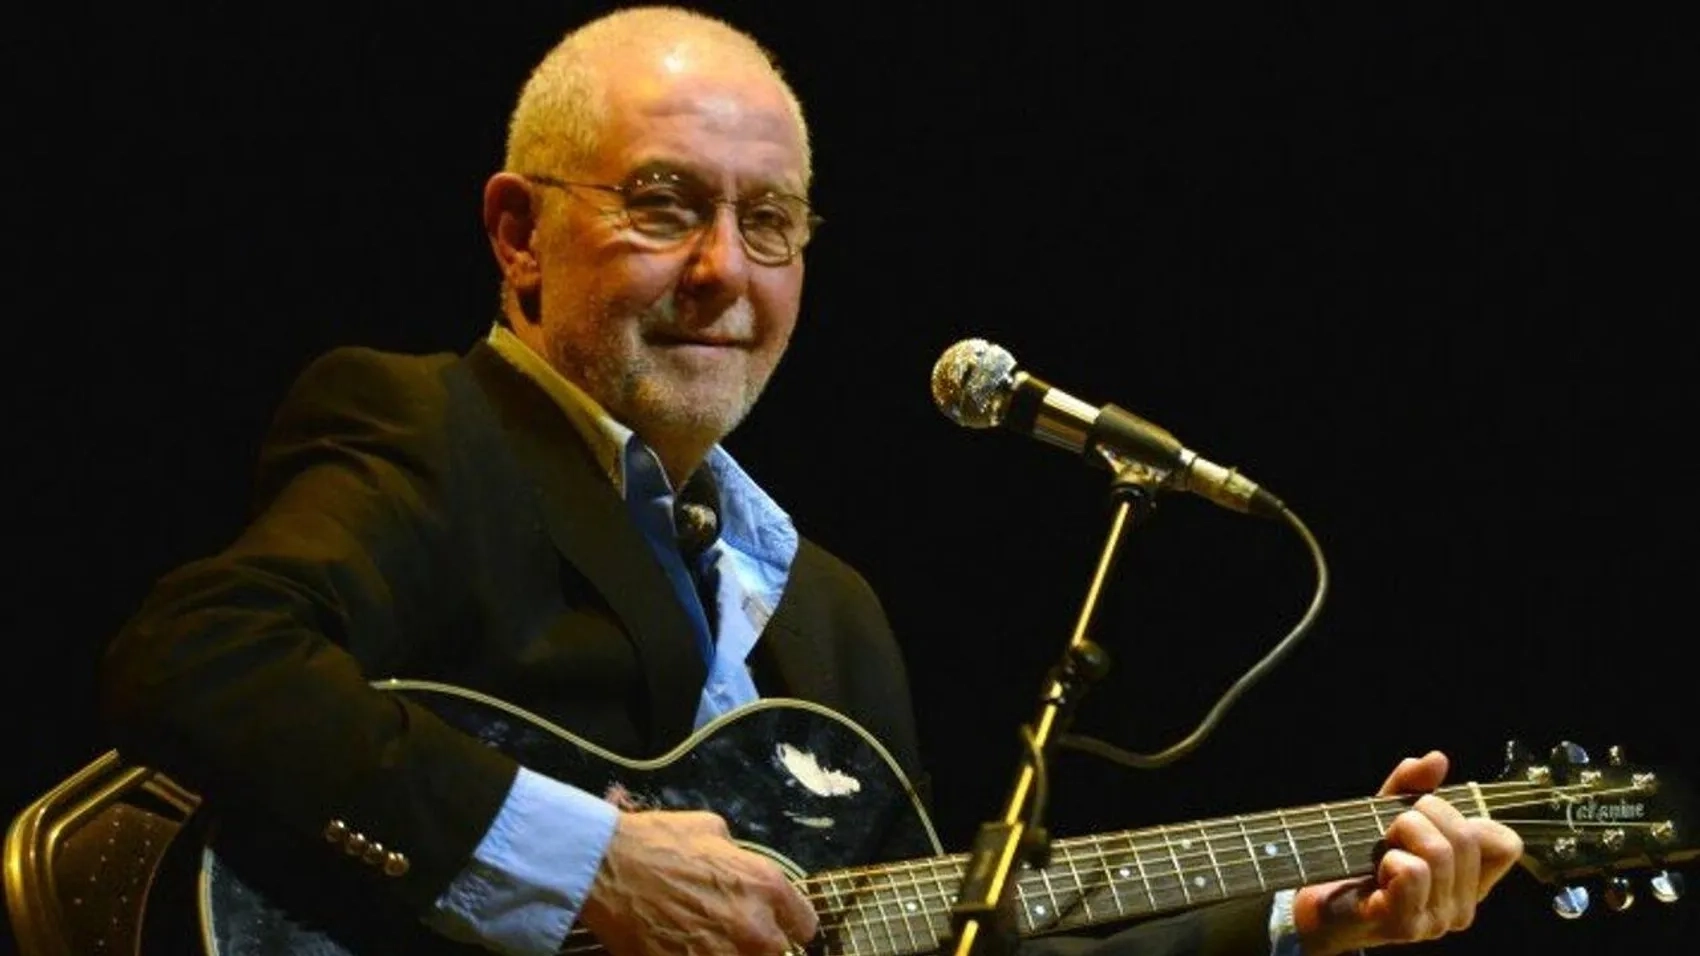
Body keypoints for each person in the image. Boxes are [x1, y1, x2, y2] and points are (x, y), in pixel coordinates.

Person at [96, 6, 1523, 956]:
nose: (724, 270)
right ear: (520, 234)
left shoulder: (829, 615)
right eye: (664, 203)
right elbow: (199, 658)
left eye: (770, 222)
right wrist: (590, 864)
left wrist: (1300, 920)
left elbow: (954, 932)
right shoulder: (434, 431)